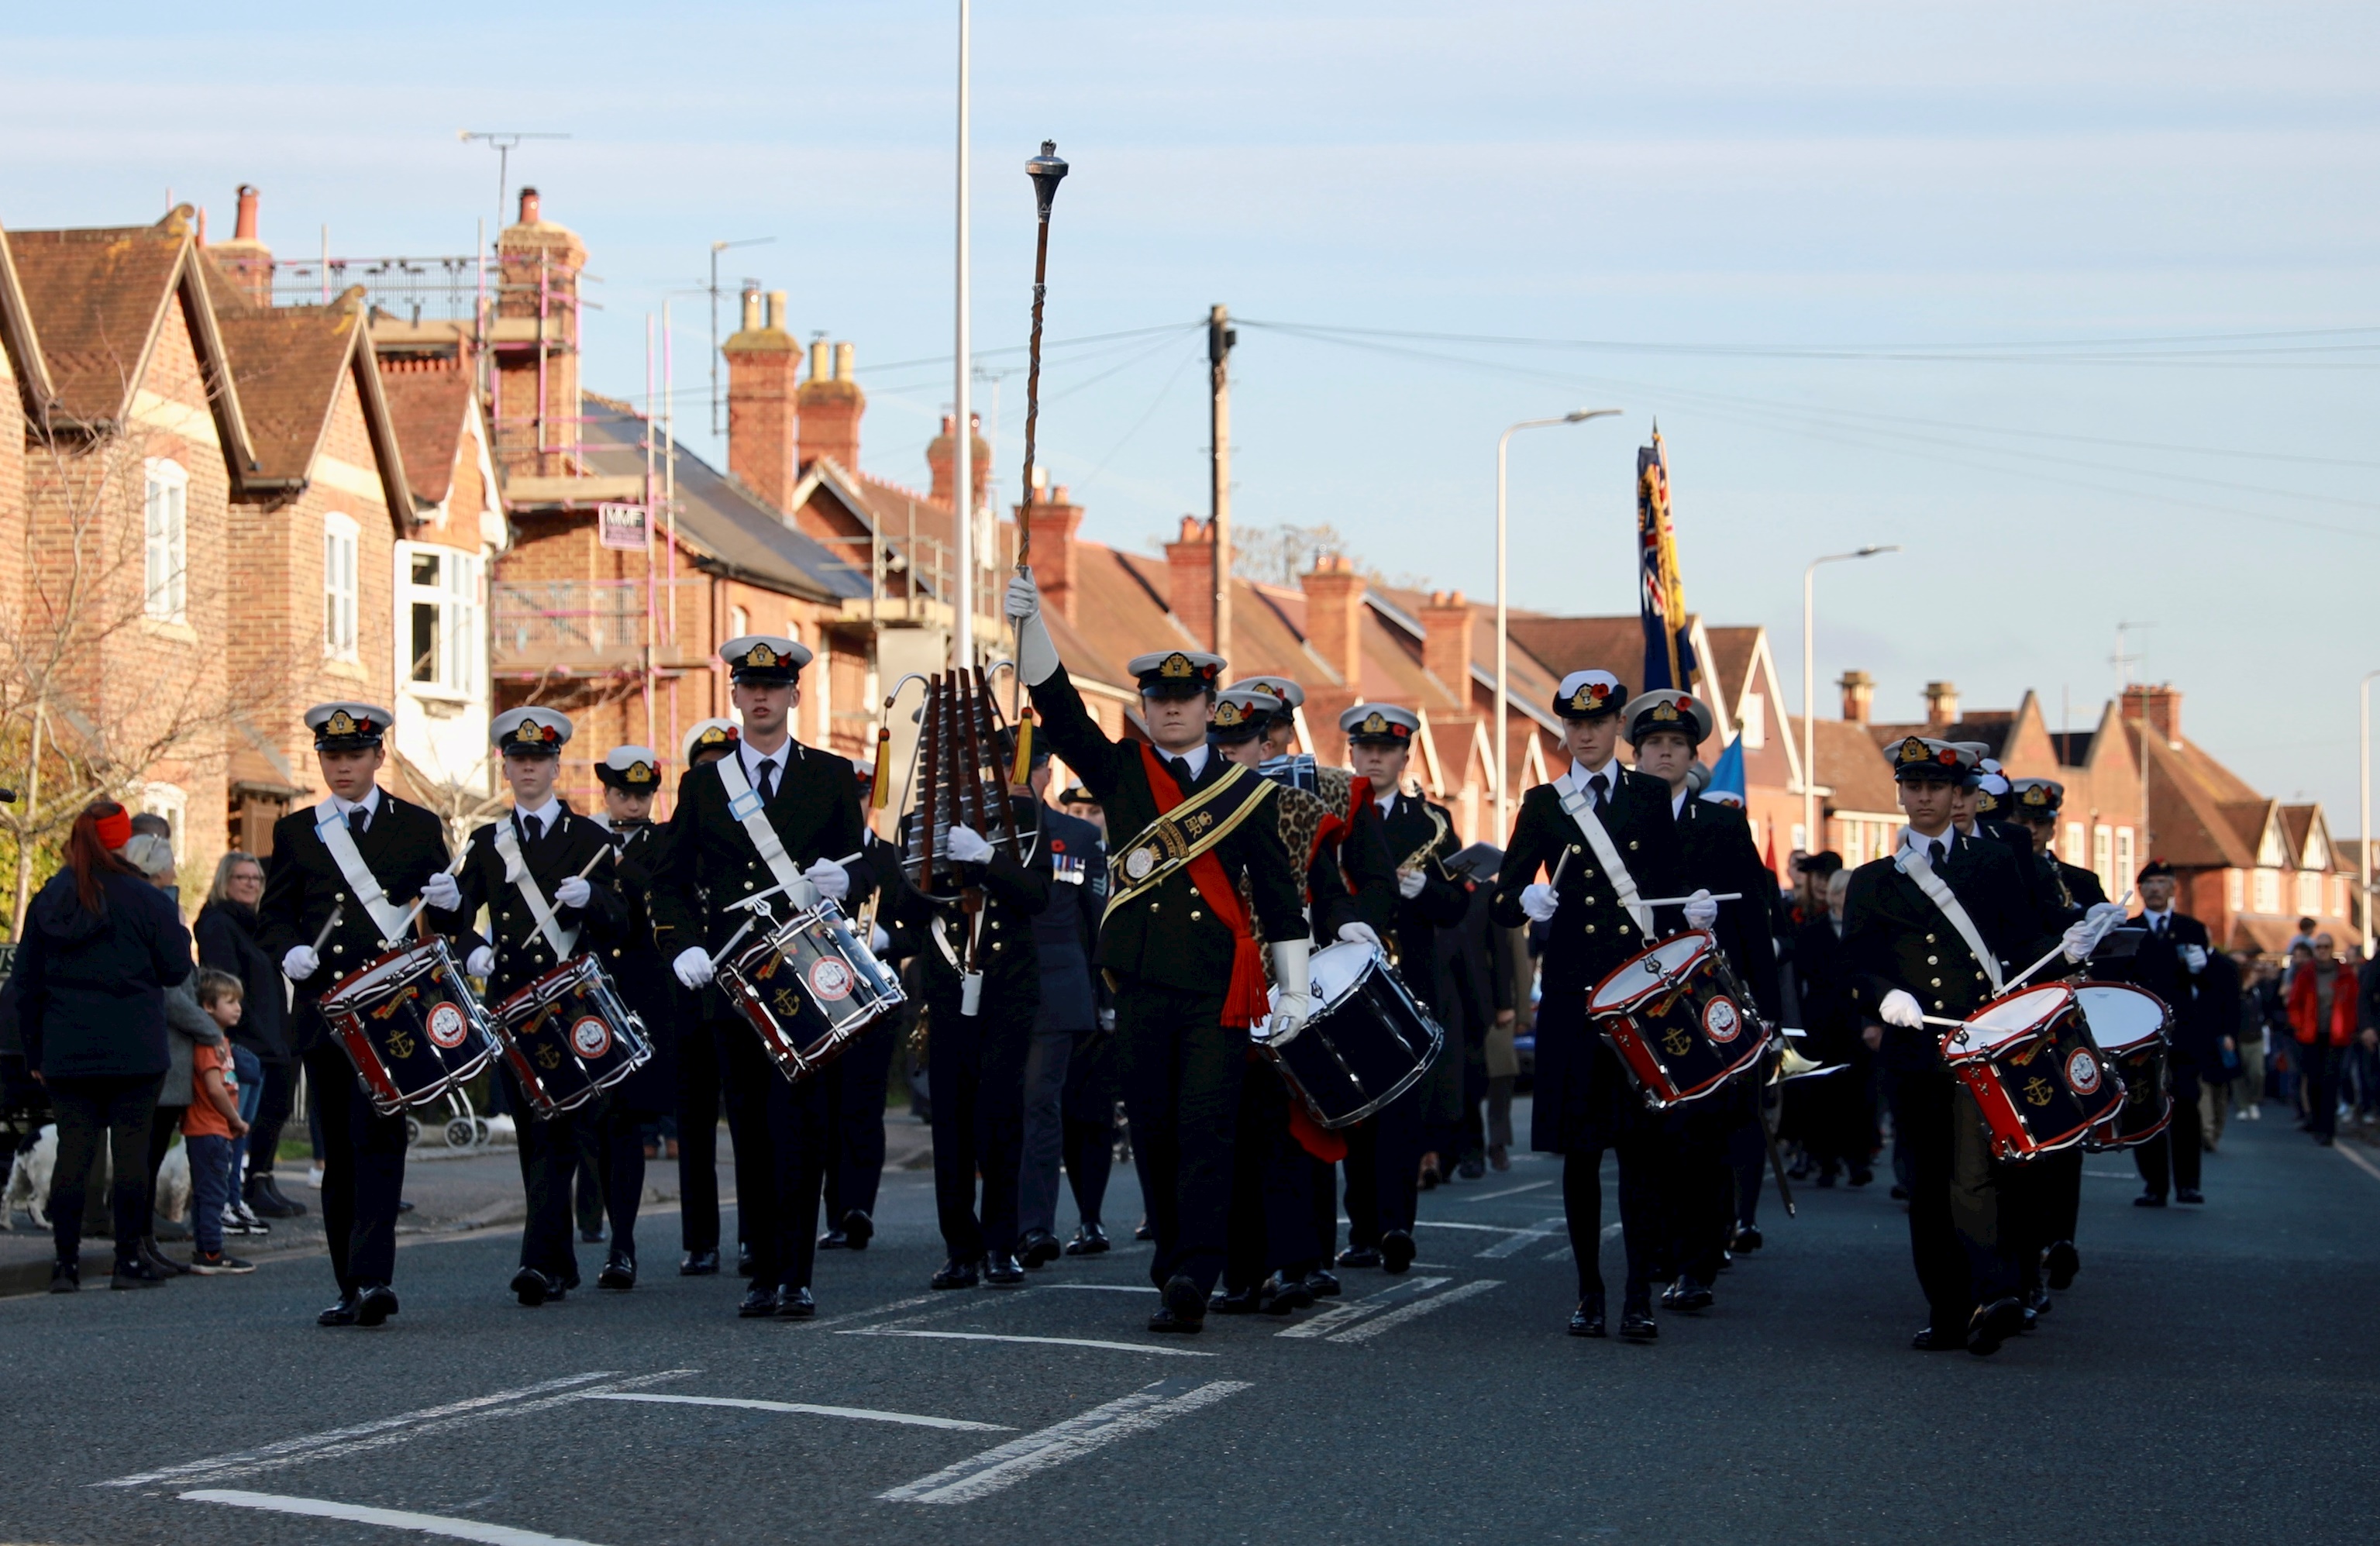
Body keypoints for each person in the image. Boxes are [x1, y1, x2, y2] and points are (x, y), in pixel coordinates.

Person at [1006, 571, 1310, 1334]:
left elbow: (1278, 900)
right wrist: (1029, 630)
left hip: (1215, 989)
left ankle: (1193, 1273)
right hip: (1139, 985)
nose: (1171, 707)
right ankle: (1171, 1256)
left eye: (1186, 698)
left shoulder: (1250, 796)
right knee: (1153, 1130)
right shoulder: (1119, 770)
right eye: (1157, 699)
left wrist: (1296, 991)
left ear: (1211, 707)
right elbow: (1062, 715)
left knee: (1207, 1129)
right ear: (1145, 707)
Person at [1844, 736, 2106, 1355]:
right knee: (1929, 1185)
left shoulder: (1990, 865)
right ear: (1901, 794)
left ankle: (1997, 1292)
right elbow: (1854, 962)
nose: (1924, 797)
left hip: (1985, 1043)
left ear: (1959, 795)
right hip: (1917, 1048)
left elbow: (2021, 944)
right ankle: (1945, 1309)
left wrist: (2066, 950)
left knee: (1980, 1176)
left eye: (1937, 787)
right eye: (1913, 786)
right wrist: (1882, 996)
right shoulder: (1874, 880)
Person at [653, 636, 876, 1320]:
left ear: (793, 696)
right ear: (734, 696)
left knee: (803, 1124)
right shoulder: (703, 784)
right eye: (749, 686)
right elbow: (666, 883)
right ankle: (762, 1266)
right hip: (734, 980)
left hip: (807, 979)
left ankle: (798, 1272)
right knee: (748, 1126)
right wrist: (682, 946)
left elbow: (871, 866)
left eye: (773, 687)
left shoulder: (831, 776)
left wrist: (852, 876)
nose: (760, 697)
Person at [1490, 670, 1692, 1342]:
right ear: (1563, 731)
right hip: (1576, 1002)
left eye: (1597, 723)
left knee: (1640, 1153)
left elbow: (1671, 886)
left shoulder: (1647, 795)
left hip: (1636, 996)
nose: (1585, 733)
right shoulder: (1544, 803)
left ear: (1615, 730)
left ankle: (1637, 1293)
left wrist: (1694, 909)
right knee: (1580, 1156)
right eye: (1574, 725)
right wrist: (1525, 901)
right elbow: (1501, 899)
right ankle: (1589, 1291)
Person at [260, 702, 452, 1327]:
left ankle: (373, 1278)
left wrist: (454, 900)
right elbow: (275, 913)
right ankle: (350, 1281)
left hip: (391, 1013)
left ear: (378, 757)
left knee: (380, 1140)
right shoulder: (296, 831)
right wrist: (285, 947)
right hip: (328, 1011)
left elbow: (442, 920)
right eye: (331, 756)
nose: (341, 766)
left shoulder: (418, 826)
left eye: (353, 755)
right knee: (339, 1148)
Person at [1209, 688, 1393, 1314]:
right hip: (1212, 988)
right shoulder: (1186, 810)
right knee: (1225, 1136)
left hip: (1285, 986)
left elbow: (1328, 884)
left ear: (1269, 746)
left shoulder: (1293, 807)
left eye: (1240, 745)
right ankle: (1238, 1270)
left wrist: (1346, 922)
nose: (1229, 755)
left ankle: (1291, 1264)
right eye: (1220, 745)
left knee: (1285, 1132)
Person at [436, 708, 629, 1303]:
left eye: (538, 760)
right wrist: (472, 950)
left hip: (574, 1004)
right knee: (532, 1133)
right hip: (513, 1002)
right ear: (506, 764)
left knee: (560, 1130)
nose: (527, 769)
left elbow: (624, 922)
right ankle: (560, 1261)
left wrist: (593, 896)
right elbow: (459, 916)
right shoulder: (488, 842)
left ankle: (537, 1264)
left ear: (555, 764)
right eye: (518, 760)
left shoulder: (591, 839)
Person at [1621, 690, 1779, 1308]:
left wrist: (1766, 1011)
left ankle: (1697, 1259)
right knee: (1649, 1135)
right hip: (1639, 1001)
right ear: (1636, 755)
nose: (1664, 753)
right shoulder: (1619, 823)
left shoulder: (1718, 823)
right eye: (1654, 745)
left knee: (1704, 1133)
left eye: (1676, 745)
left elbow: (1754, 920)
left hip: (1709, 997)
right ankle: (1657, 1249)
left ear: (1692, 755)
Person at [891, 728, 1053, 1289]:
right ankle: (960, 1247)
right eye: (949, 757)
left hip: (1007, 980)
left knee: (1001, 1114)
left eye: (969, 757)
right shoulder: (919, 820)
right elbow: (900, 908)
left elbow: (1038, 894)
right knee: (952, 1119)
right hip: (945, 980)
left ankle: (1001, 1243)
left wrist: (987, 859)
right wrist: (930, 868)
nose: (961, 766)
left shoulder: (1020, 813)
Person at [12, 801, 195, 1292]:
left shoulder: (51, 899)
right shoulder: (146, 900)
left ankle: (65, 1264)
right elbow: (176, 970)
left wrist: (35, 1053)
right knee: (132, 1155)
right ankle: (127, 1260)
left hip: (68, 1046)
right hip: (134, 1046)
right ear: (122, 841)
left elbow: (24, 984)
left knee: (75, 1154)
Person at [1338, 702, 1463, 1273]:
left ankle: (1396, 1227)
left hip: (1406, 982)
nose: (1374, 757)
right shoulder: (1330, 810)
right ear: (1351, 753)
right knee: (1354, 1111)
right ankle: (1361, 1228)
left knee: (1402, 1114)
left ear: (1404, 755)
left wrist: (1422, 892)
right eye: (1364, 749)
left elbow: (1460, 903)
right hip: (1347, 979)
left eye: (1385, 749)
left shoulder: (1429, 822)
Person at [1013, 742, 1112, 1265]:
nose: (1019, 773)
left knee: (1040, 1105)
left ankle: (1033, 1226)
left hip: (1056, 985)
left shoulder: (1077, 834)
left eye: (1027, 763)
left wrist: (1104, 997)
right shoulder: (980, 831)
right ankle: (1000, 1226)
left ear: (1047, 770)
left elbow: (1098, 921)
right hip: (998, 985)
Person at [587, 744, 678, 1289]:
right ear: (607, 792)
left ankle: (622, 1243)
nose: (631, 803)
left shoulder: (664, 842)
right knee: (585, 1121)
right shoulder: (583, 841)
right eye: (622, 793)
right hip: (590, 990)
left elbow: (666, 893)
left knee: (625, 1121)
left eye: (641, 794)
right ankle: (579, 1228)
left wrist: (622, 865)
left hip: (643, 992)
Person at [195, 852, 302, 1223]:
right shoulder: (218, 923)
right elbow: (227, 984)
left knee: (276, 1111)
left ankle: (262, 1178)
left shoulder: (261, 923)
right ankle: (231, 1193)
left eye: (256, 878)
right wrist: (253, 1029)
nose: (251, 883)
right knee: (242, 1119)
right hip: (247, 1036)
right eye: (242, 877)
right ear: (225, 881)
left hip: (277, 1032)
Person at [672, 716, 742, 1276]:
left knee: (751, 1122)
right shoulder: (684, 834)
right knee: (694, 1124)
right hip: (690, 997)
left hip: (746, 992)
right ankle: (700, 1238)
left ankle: (754, 1233)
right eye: (707, 769)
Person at [2108, 860, 2213, 1200]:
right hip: (2141, 1034)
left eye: (2162, 882)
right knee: (2144, 1106)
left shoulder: (2191, 928)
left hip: (2181, 1032)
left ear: (2172, 888)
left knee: (2186, 1105)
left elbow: (2207, 984)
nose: (2155, 889)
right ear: (2141, 890)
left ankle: (2188, 1183)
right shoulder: (2129, 930)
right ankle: (2155, 1184)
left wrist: (2203, 970)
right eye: (2149, 883)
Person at [184, 970, 257, 1274]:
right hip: (210, 1128)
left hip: (212, 1129)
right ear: (208, 1007)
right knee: (214, 1192)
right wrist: (236, 1120)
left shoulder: (220, 1041)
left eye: (238, 1001)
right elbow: (215, 1088)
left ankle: (205, 1248)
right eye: (230, 1002)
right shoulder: (208, 1044)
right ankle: (212, 1252)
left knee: (207, 1191)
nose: (237, 1008)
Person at [2287, 938, 2355, 1145]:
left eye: (2326, 947)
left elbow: (2353, 1002)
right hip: (2311, 1035)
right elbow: (2295, 1003)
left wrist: (2350, 1028)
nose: (2323, 951)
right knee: (2314, 1081)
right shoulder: (2306, 974)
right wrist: (2299, 1025)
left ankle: (2328, 1129)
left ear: (2332, 949)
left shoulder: (2345, 974)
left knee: (2331, 1081)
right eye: (2319, 947)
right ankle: (2316, 1122)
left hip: (2336, 1036)